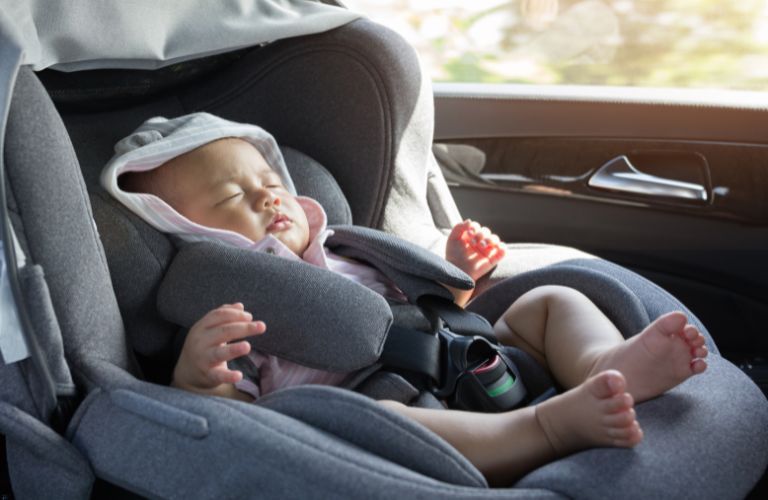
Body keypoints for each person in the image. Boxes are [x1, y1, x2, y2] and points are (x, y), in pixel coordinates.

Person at [104, 114, 708, 485]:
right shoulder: (223, 311)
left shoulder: (347, 249)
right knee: (375, 422)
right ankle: (549, 428)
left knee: (550, 299)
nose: (268, 198)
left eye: (267, 182)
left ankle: (603, 365)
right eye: (232, 195)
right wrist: (197, 378)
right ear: (185, 228)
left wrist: (460, 272)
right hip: (393, 414)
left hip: (468, 355)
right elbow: (229, 417)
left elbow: (433, 307)